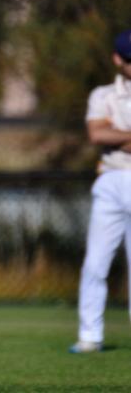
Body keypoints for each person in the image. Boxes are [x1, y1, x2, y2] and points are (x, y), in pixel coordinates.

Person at [70, 29, 131, 354]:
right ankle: (90, 335)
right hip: (111, 179)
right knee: (96, 262)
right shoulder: (103, 95)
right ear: (118, 60)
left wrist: (116, 133)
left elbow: (108, 133)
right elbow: (97, 135)